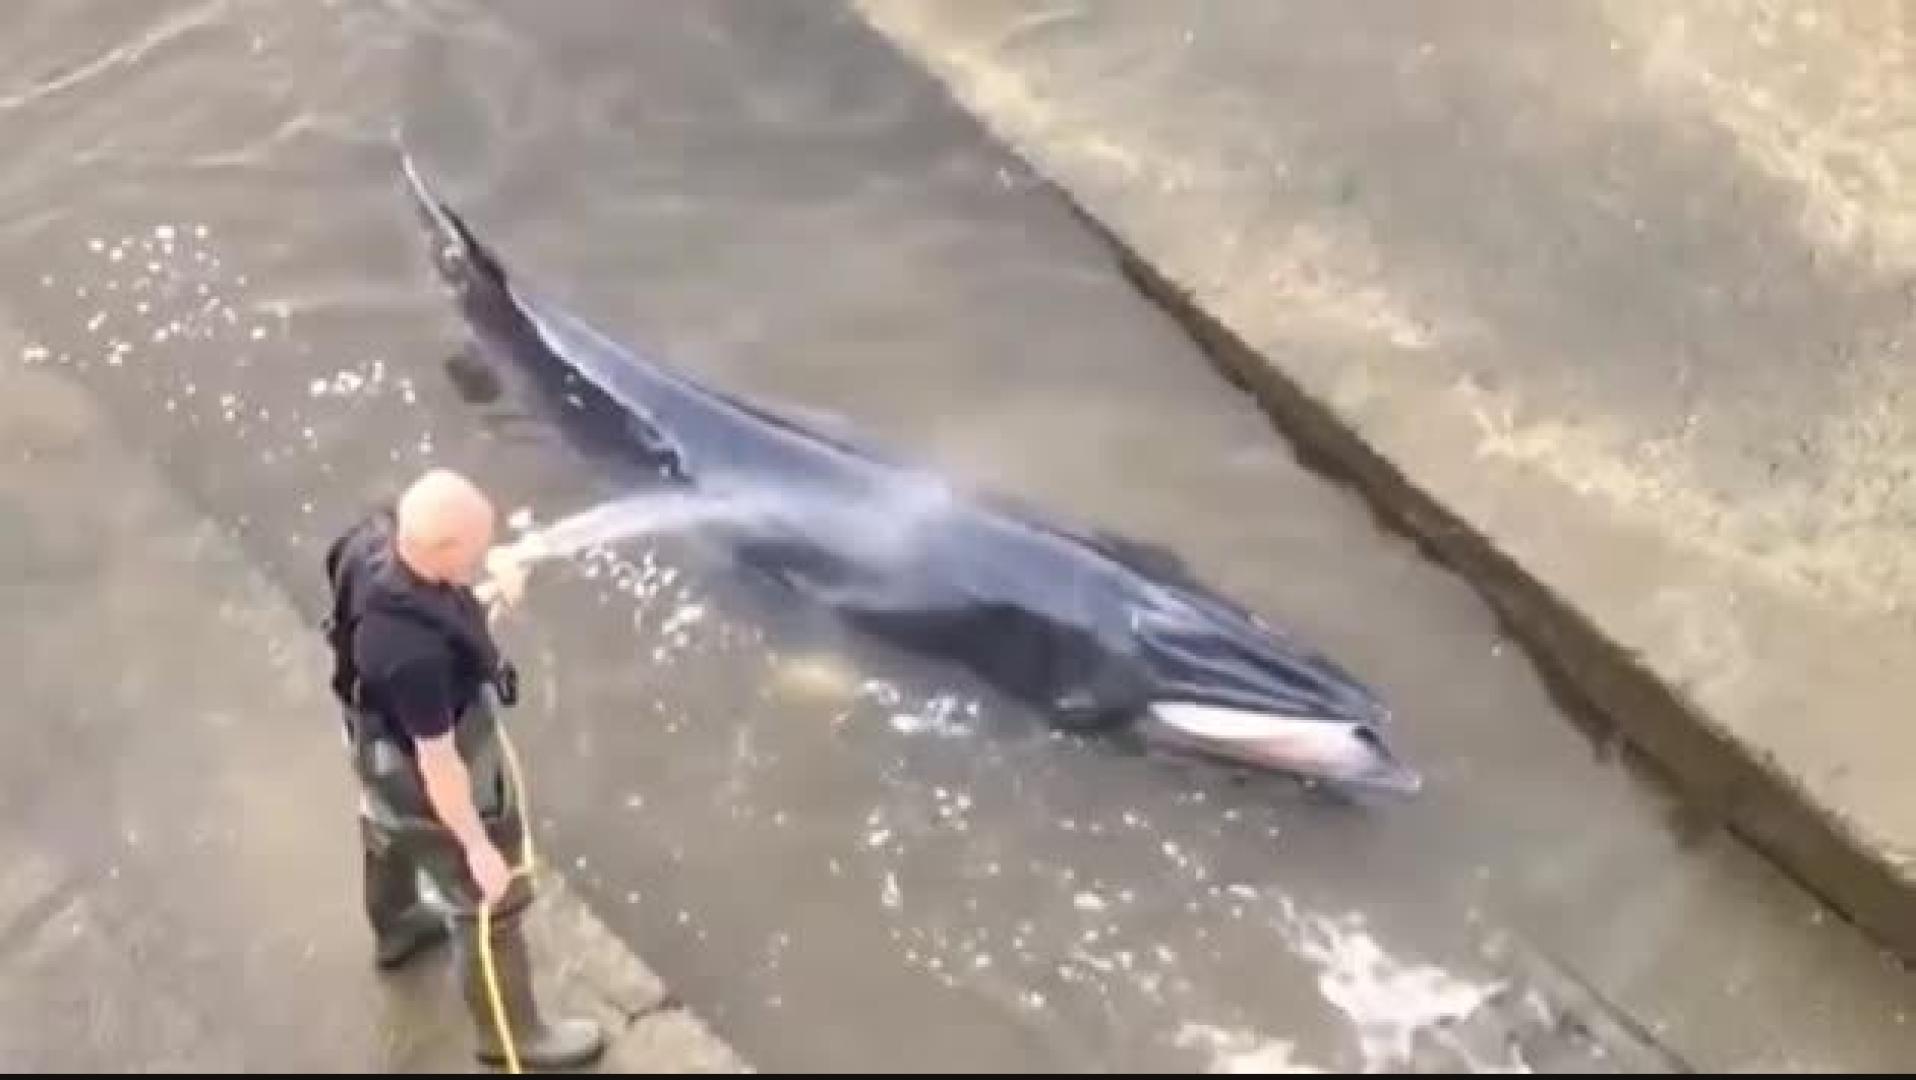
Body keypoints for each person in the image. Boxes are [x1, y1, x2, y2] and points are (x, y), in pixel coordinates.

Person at [321, 467, 605, 1069]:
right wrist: (476, 845)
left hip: (373, 745)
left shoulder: (368, 545)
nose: (485, 555)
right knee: (488, 905)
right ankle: (512, 1039)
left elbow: (431, 619)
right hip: (426, 767)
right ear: (443, 548)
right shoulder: (411, 657)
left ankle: (397, 929)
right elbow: (440, 763)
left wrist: (490, 595)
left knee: (384, 828)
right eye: (476, 548)